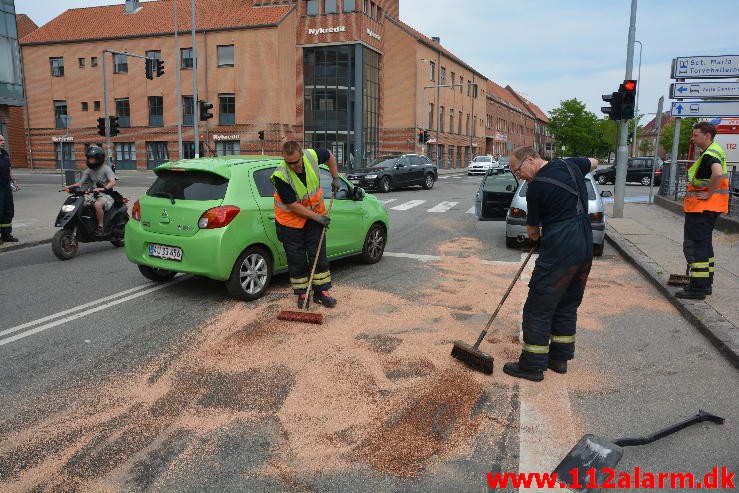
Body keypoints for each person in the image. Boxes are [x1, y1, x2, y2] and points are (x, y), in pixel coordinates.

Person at [502, 146, 598, 382]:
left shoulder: (536, 188)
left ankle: (532, 365)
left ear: (531, 159)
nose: (519, 176)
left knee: (539, 305)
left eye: (518, 170)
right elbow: (593, 161)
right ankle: (559, 359)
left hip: (561, 246)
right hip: (585, 241)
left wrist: (539, 237)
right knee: (567, 302)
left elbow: (533, 231)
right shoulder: (570, 164)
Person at [271, 140, 342, 308]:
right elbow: (292, 205)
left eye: (295, 162)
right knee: (297, 259)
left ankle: (321, 292)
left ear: (301, 155)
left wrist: (335, 176)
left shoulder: (311, 156)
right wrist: (317, 218)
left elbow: (329, 155)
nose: (293, 166)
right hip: (290, 221)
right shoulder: (280, 175)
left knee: (318, 253)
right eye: (289, 163)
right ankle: (303, 294)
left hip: (314, 216)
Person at [675, 121, 729, 300]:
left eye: (695, 135)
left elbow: (717, 173)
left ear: (707, 136)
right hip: (710, 208)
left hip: (702, 209)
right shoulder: (714, 151)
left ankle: (697, 289)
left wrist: (708, 194)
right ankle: (705, 284)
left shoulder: (710, 154)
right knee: (705, 247)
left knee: (695, 247)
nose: (692, 139)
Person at [66, 146, 117, 236]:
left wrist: (104, 188)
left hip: (107, 195)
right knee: (80, 203)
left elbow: (113, 182)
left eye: (92, 158)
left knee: (97, 205)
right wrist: (69, 187)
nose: (90, 160)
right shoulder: (88, 170)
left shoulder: (106, 169)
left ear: (99, 159)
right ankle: (86, 224)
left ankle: (100, 227)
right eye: (89, 158)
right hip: (94, 195)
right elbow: (80, 183)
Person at [0, 135, 19, 244]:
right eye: (1, 140)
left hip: (6, 185)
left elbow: (9, 168)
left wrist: (13, 181)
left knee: (8, 210)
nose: (3, 142)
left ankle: (6, 235)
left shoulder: (5, 154)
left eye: (3, 140)